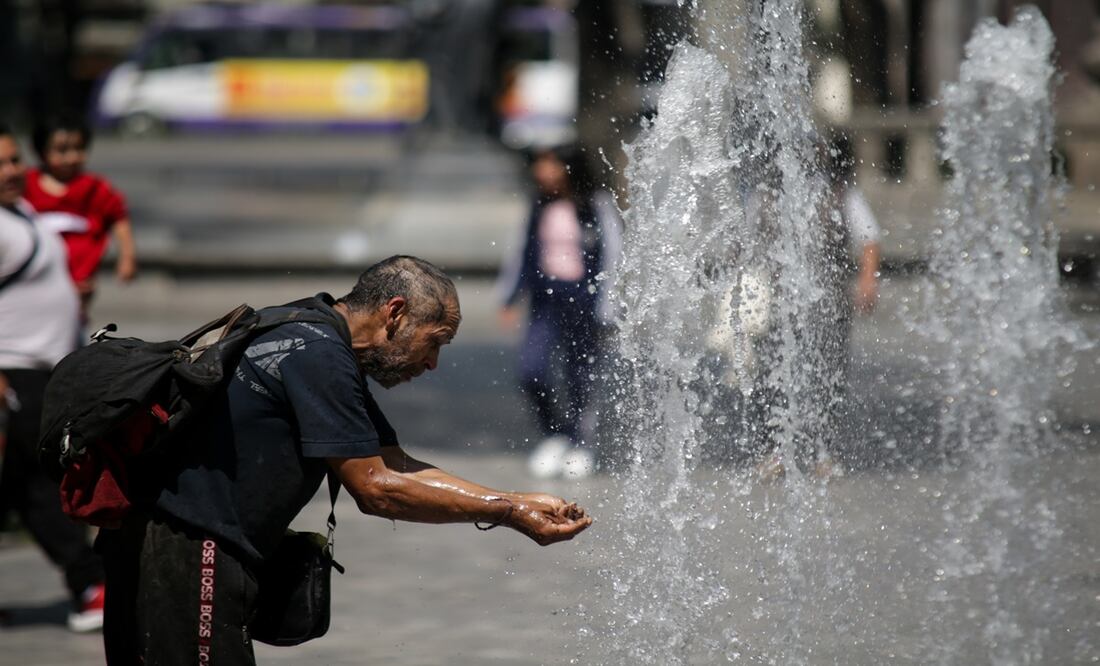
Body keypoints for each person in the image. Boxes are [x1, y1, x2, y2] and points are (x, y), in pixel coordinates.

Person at [97, 255, 593, 665]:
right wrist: (506, 513)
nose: (432, 362)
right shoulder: (320, 355)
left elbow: (392, 462)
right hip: (187, 545)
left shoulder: (311, 329)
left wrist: (515, 499)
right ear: (395, 313)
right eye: (435, 341)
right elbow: (376, 488)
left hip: (168, 538)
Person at [0, 124, 106, 632]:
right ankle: (90, 584)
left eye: (14, 159)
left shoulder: (18, 214)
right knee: (41, 485)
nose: (12, 171)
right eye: (0, 164)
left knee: (22, 486)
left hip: (46, 369)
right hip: (16, 375)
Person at [496, 147, 622, 480]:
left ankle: (581, 442)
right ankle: (557, 431)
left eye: (551, 164)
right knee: (531, 369)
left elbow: (613, 256)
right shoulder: (539, 206)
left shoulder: (596, 206)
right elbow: (521, 253)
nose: (543, 171)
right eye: (541, 163)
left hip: (584, 303)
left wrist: (608, 308)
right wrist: (509, 297)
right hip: (545, 303)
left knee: (580, 374)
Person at [23, 112, 136, 318]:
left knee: (72, 320)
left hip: (79, 279)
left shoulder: (95, 188)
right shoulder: (27, 186)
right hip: (34, 278)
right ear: (41, 152)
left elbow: (119, 218)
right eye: (62, 150)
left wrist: (127, 256)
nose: (72, 157)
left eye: (79, 149)